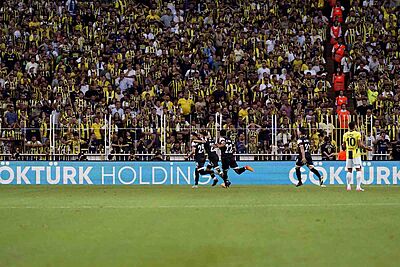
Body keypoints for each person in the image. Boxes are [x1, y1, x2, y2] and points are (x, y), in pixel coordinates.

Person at [342, 122, 372, 191]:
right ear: (354, 126)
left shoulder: (345, 134)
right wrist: (366, 148)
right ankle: (358, 186)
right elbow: (360, 144)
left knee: (349, 170)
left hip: (348, 153)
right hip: (355, 153)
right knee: (358, 169)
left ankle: (348, 186)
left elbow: (343, 147)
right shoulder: (357, 134)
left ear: (349, 127)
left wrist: (344, 146)